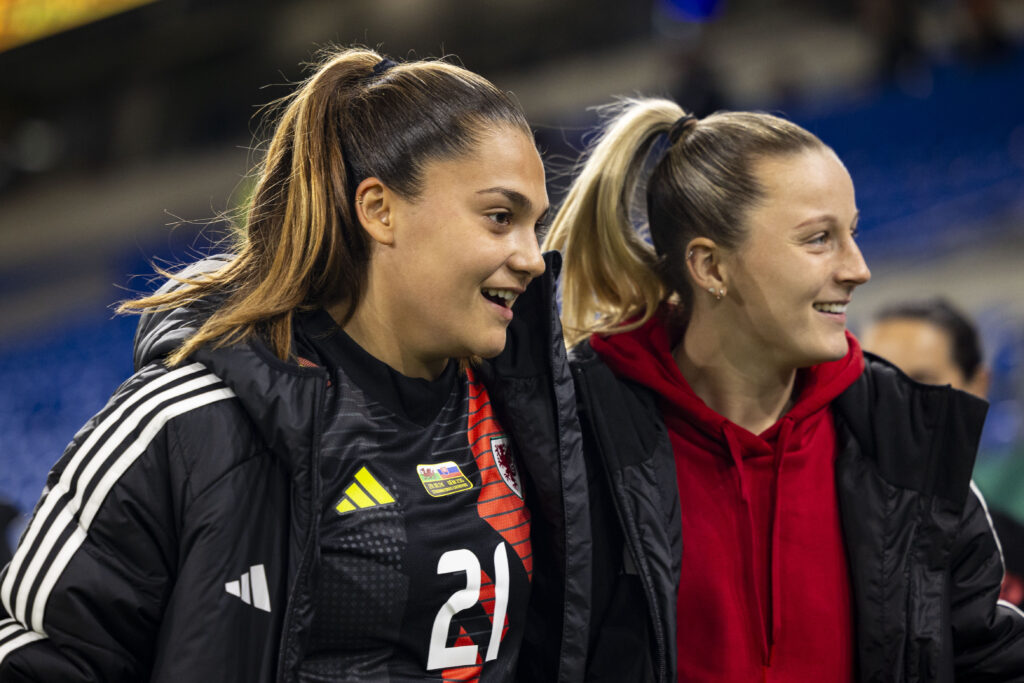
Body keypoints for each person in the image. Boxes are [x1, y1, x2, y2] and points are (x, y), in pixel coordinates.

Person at [0, 47, 590, 682]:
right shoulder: (189, 427)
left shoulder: (533, 415)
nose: (532, 257)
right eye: (500, 218)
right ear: (379, 210)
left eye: (536, 225)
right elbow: (39, 659)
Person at [543, 97, 1024, 681]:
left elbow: (985, 657)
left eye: (852, 232)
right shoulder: (574, 435)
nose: (857, 268)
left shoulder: (904, 436)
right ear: (711, 267)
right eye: (819, 239)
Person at [862, 297, 1024, 606]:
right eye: (878, 382)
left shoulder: (1013, 551)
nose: (898, 401)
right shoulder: (822, 533)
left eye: (921, 381)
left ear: (978, 385)